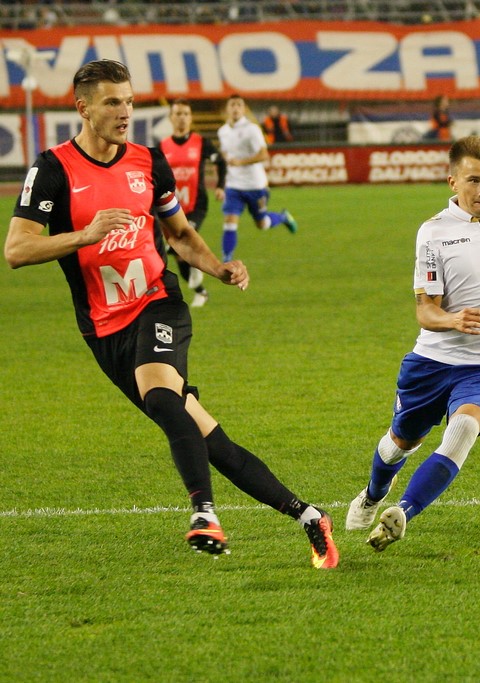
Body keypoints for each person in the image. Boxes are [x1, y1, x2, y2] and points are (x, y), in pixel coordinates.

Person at [4, 60, 338, 569]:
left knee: (162, 394)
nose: (125, 112)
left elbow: (179, 234)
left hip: (159, 301)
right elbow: (17, 249)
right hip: (103, 329)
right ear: (83, 107)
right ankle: (309, 516)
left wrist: (218, 267)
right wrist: (85, 235)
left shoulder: (147, 162)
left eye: (130, 101)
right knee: (207, 436)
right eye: (113, 102)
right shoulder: (52, 169)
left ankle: (204, 515)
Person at [345, 135, 480, 552]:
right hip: (433, 362)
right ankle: (373, 495)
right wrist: (452, 319)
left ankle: (402, 512)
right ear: (452, 181)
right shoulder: (433, 233)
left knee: (464, 426)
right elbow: (425, 310)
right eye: (474, 180)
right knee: (399, 444)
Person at [160, 98, 226, 309]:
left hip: (197, 206)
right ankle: (200, 291)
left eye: (186, 114)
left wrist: (220, 185)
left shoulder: (200, 142)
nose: (182, 118)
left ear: (191, 117)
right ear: (171, 118)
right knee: (180, 254)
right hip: (171, 209)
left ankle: (198, 277)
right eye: (178, 113)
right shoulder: (162, 146)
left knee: (182, 242)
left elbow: (220, 161)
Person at [217, 94, 297, 262]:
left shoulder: (252, 129)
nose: (236, 108)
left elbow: (264, 155)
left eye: (239, 104)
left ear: (244, 109)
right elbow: (225, 153)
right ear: (227, 109)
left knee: (262, 224)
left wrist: (240, 162)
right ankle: (226, 259)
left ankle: (283, 217)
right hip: (233, 186)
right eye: (232, 104)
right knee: (229, 222)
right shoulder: (222, 132)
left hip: (255, 185)